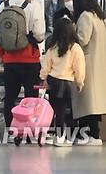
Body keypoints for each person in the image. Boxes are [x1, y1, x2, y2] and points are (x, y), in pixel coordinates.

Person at [0, 0, 46, 130]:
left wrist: (2, 55)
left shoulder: (4, 5)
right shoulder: (34, 6)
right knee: (31, 96)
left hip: (10, 59)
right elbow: (39, 34)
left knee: (10, 96)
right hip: (30, 59)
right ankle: (29, 128)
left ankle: (11, 128)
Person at [39, 17, 85, 147]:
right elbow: (79, 68)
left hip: (53, 82)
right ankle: (69, 137)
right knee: (70, 111)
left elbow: (46, 66)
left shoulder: (53, 48)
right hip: (68, 83)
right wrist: (80, 82)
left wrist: (43, 79)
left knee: (56, 112)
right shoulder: (75, 48)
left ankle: (58, 136)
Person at [71, 0, 106, 145]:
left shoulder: (85, 16)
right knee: (95, 101)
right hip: (98, 62)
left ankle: (91, 135)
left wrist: (71, 33)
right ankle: (93, 134)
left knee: (87, 102)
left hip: (87, 63)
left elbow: (83, 39)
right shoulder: (98, 16)